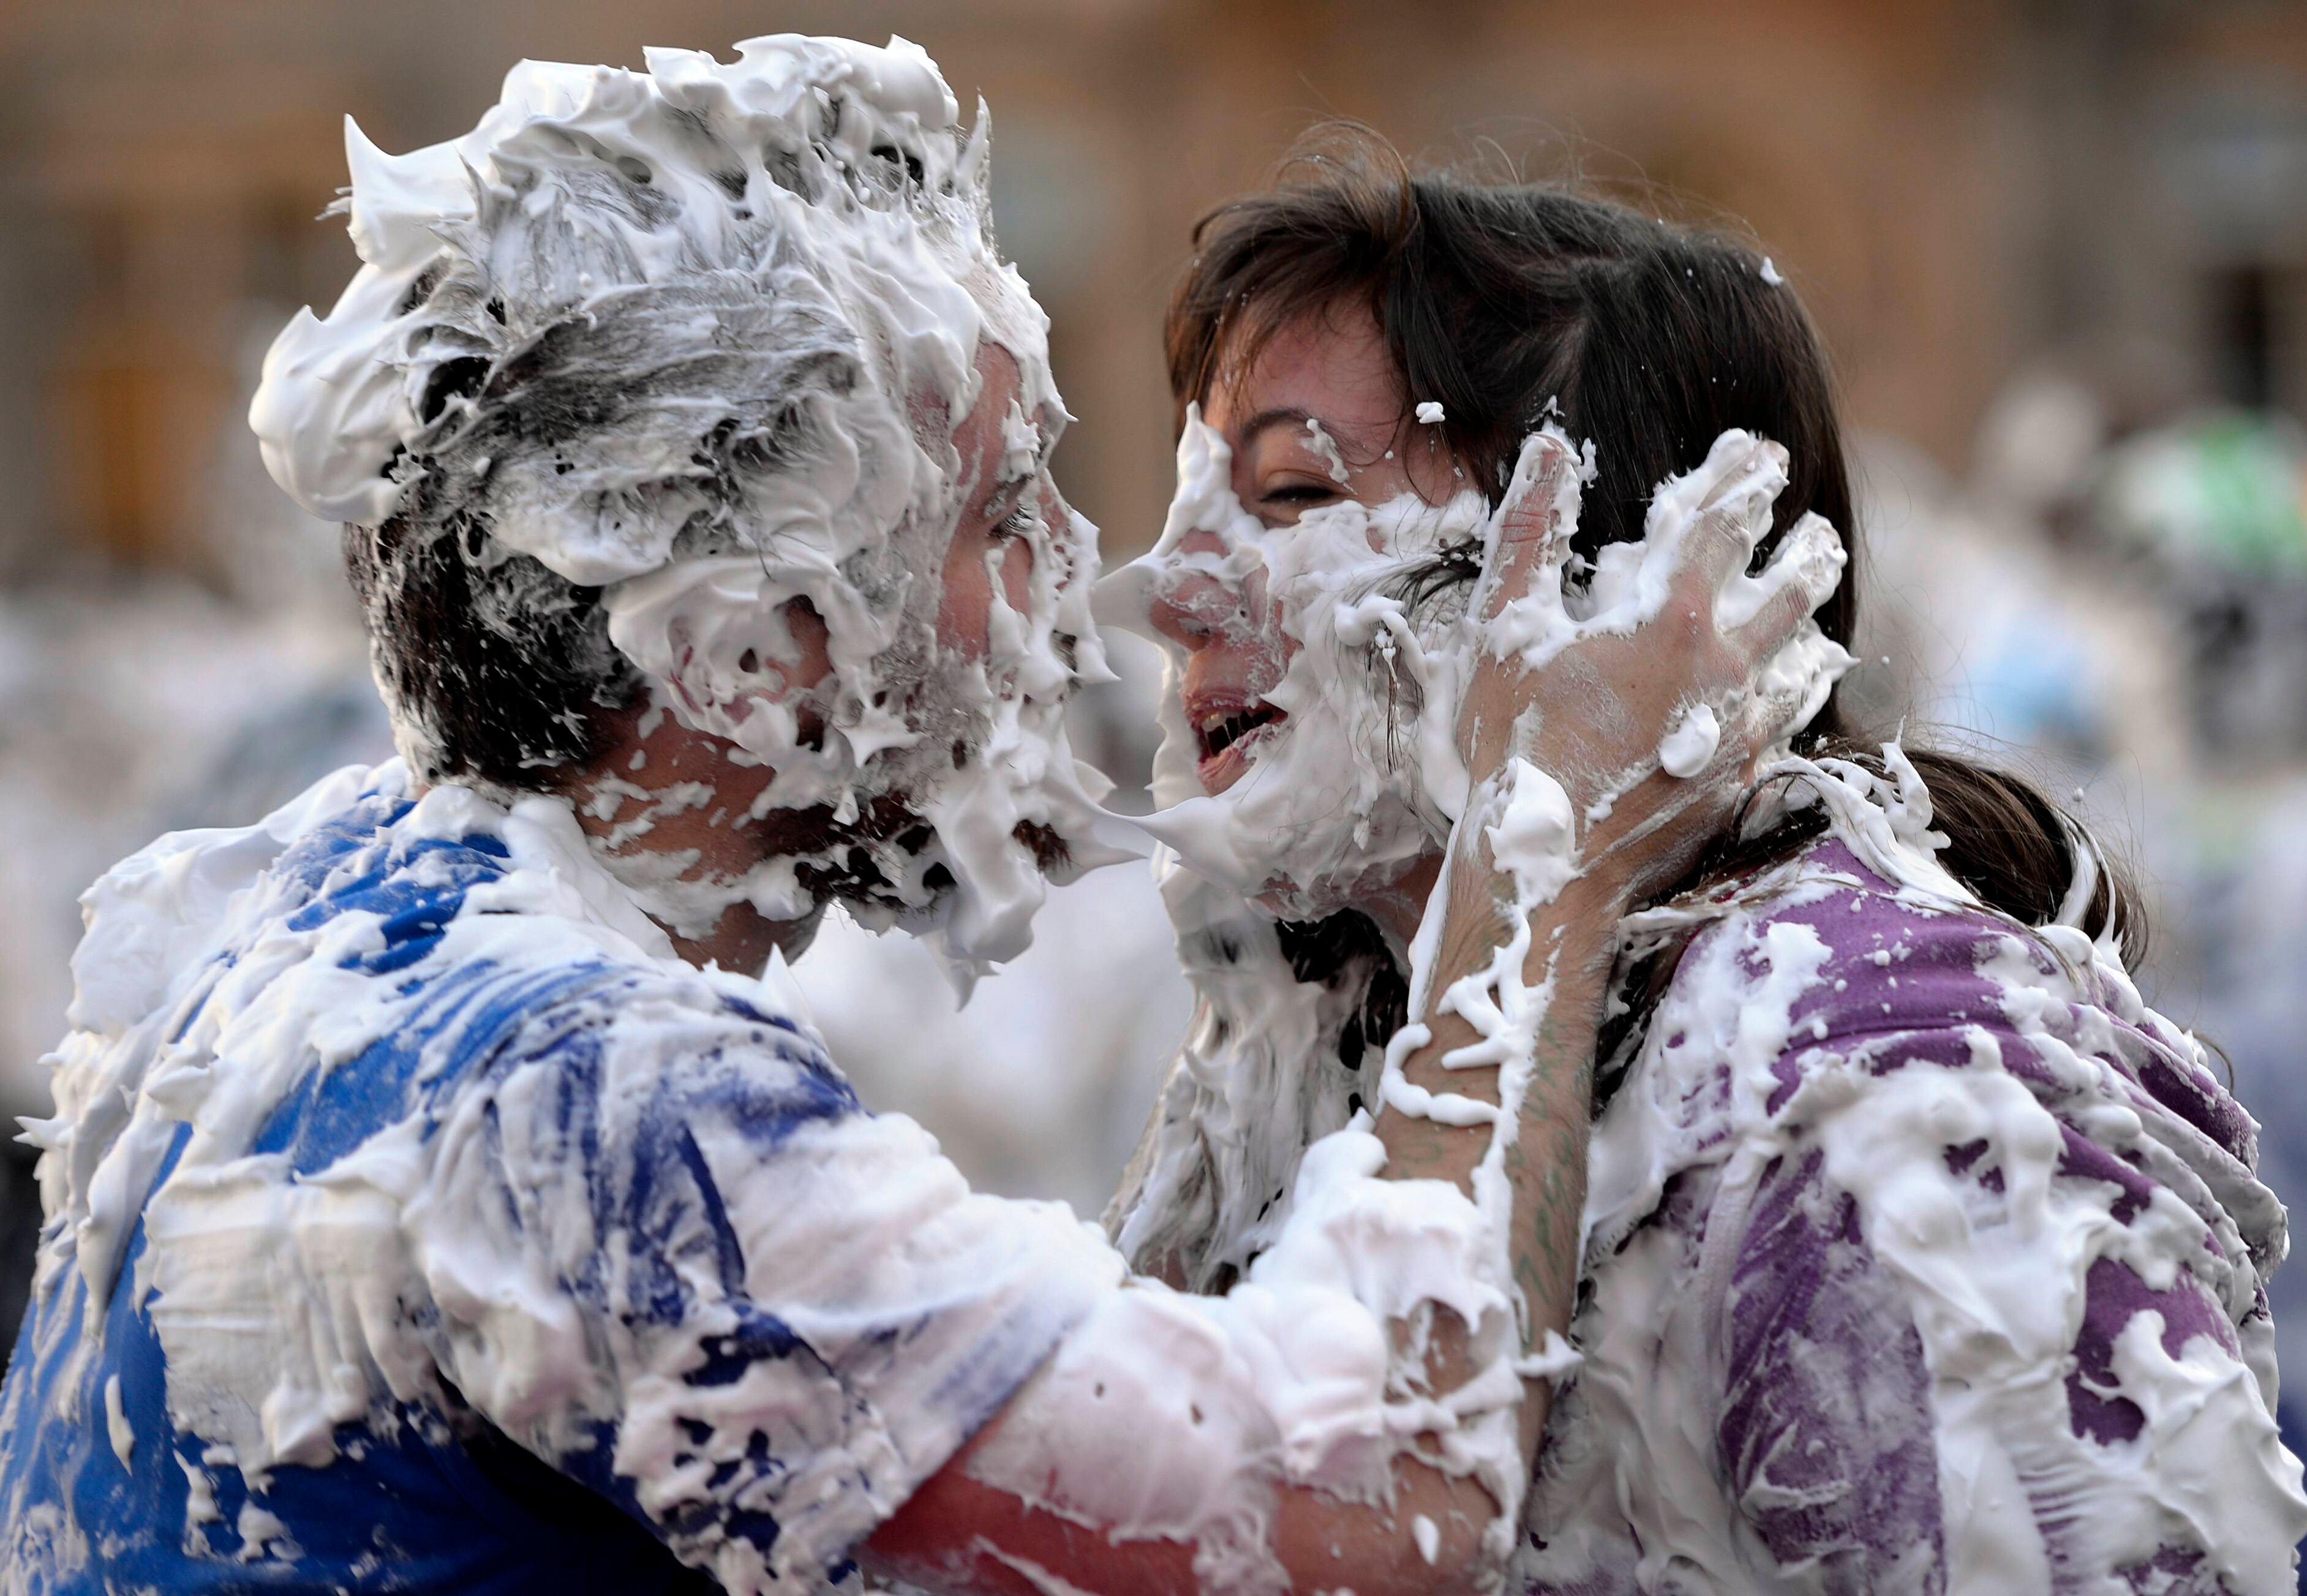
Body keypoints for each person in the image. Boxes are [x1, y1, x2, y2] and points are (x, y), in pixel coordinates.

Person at [0, 38, 1834, 1596]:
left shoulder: (331, 928)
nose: (1096, 581)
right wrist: (1540, 845)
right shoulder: (594, 1115)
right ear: (738, 642)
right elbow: (1373, 1504)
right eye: (1001, 508)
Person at [1102, 134, 2307, 1593]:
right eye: (1196, 498)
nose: (1163, 588)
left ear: (1607, 583)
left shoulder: (1875, 1072)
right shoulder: (1334, 1034)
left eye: (1293, 493)